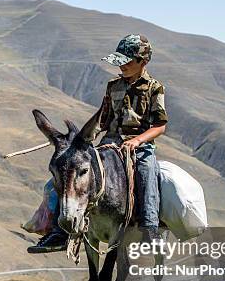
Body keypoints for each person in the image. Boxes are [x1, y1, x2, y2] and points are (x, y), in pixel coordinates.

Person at [27, 34, 168, 253]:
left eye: (127, 62)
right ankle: (59, 232)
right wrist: (78, 143)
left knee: (145, 174)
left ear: (143, 62)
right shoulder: (113, 86)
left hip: (139, 147)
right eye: (119, 61)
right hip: (110, 144)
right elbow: (102, 119)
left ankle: (149, 230)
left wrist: (138, 140)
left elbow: (160, 126)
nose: (121, 66)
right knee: (69, 173)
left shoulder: (154, 88)